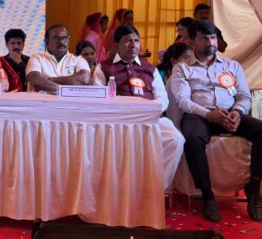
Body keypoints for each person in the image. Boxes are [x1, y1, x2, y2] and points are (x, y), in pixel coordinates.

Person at [168, 19, 261, 222]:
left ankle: (254, 190)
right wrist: (209, 114)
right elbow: (183, 101)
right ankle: (208, 196)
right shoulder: (182, 69)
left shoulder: (232, 66)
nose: (210, 42)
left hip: (229, 113)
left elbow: (244, 96)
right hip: (199, 115)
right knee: (192, 138)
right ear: (192, 42)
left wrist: (237, 112)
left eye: (212, 37)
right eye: (204, 38)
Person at [93, 25, 185, 190]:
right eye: (127, 41)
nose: (134, 44)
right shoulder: (104, 67)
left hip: (151, 118)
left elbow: (162, 98)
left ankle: (154, 187)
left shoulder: (149, 68)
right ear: (116, 45)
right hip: (119, 120)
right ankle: (121, 187)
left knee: (175, 139)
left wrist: (148, 112)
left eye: (136, 40)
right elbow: (99, 97)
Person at [26, 24, 90, 93]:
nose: (61, 41)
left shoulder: (78, 60)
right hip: (41, 100)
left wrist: (52, 80)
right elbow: (36, 80)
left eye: (65, 38)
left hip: (69, 100)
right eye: (56, 38)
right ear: (46, 41)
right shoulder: (37, 58)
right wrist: (64, 90)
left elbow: (83, 79)